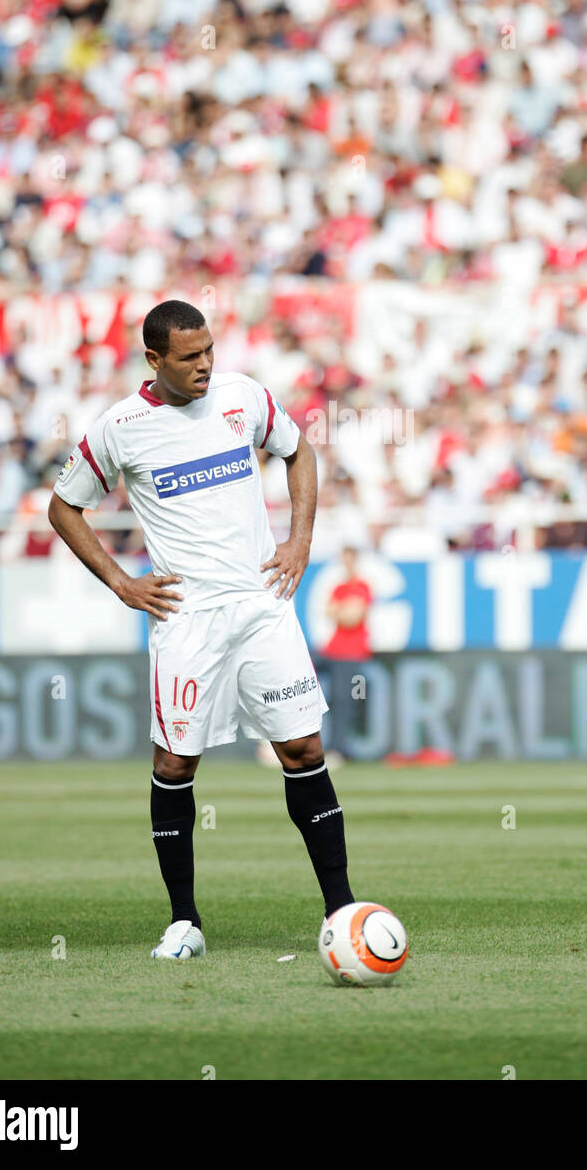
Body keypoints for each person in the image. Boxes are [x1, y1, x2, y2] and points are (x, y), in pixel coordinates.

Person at [48, 299, 354, 959]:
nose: (206, 366)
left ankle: (342, 911)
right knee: (175, 762)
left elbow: (299, 453)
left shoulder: (244, 397)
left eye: (209, 350)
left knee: (302, 749)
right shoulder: (120, 428)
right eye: (190, 357)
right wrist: (121, 582)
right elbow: (64, 506)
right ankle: (184, 921)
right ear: (154, 359)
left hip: (261, 602)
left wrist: (300, 539)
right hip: (186, 619)